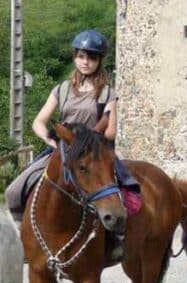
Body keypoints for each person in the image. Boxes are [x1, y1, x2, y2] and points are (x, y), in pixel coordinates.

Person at [4, 30, 135, 261]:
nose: (86, 62)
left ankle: (114, 243)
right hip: (61, 150)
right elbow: (39, 121)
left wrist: (105, 119)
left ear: (99, 61)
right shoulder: (62, 89)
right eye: (82, 56)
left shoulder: (107, 93)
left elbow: (111, 132)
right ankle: (24, 240)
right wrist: (49, 139)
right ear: (75, 57)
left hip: (93, 155)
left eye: (92, 58)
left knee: (120, 197)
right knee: (13, 191)